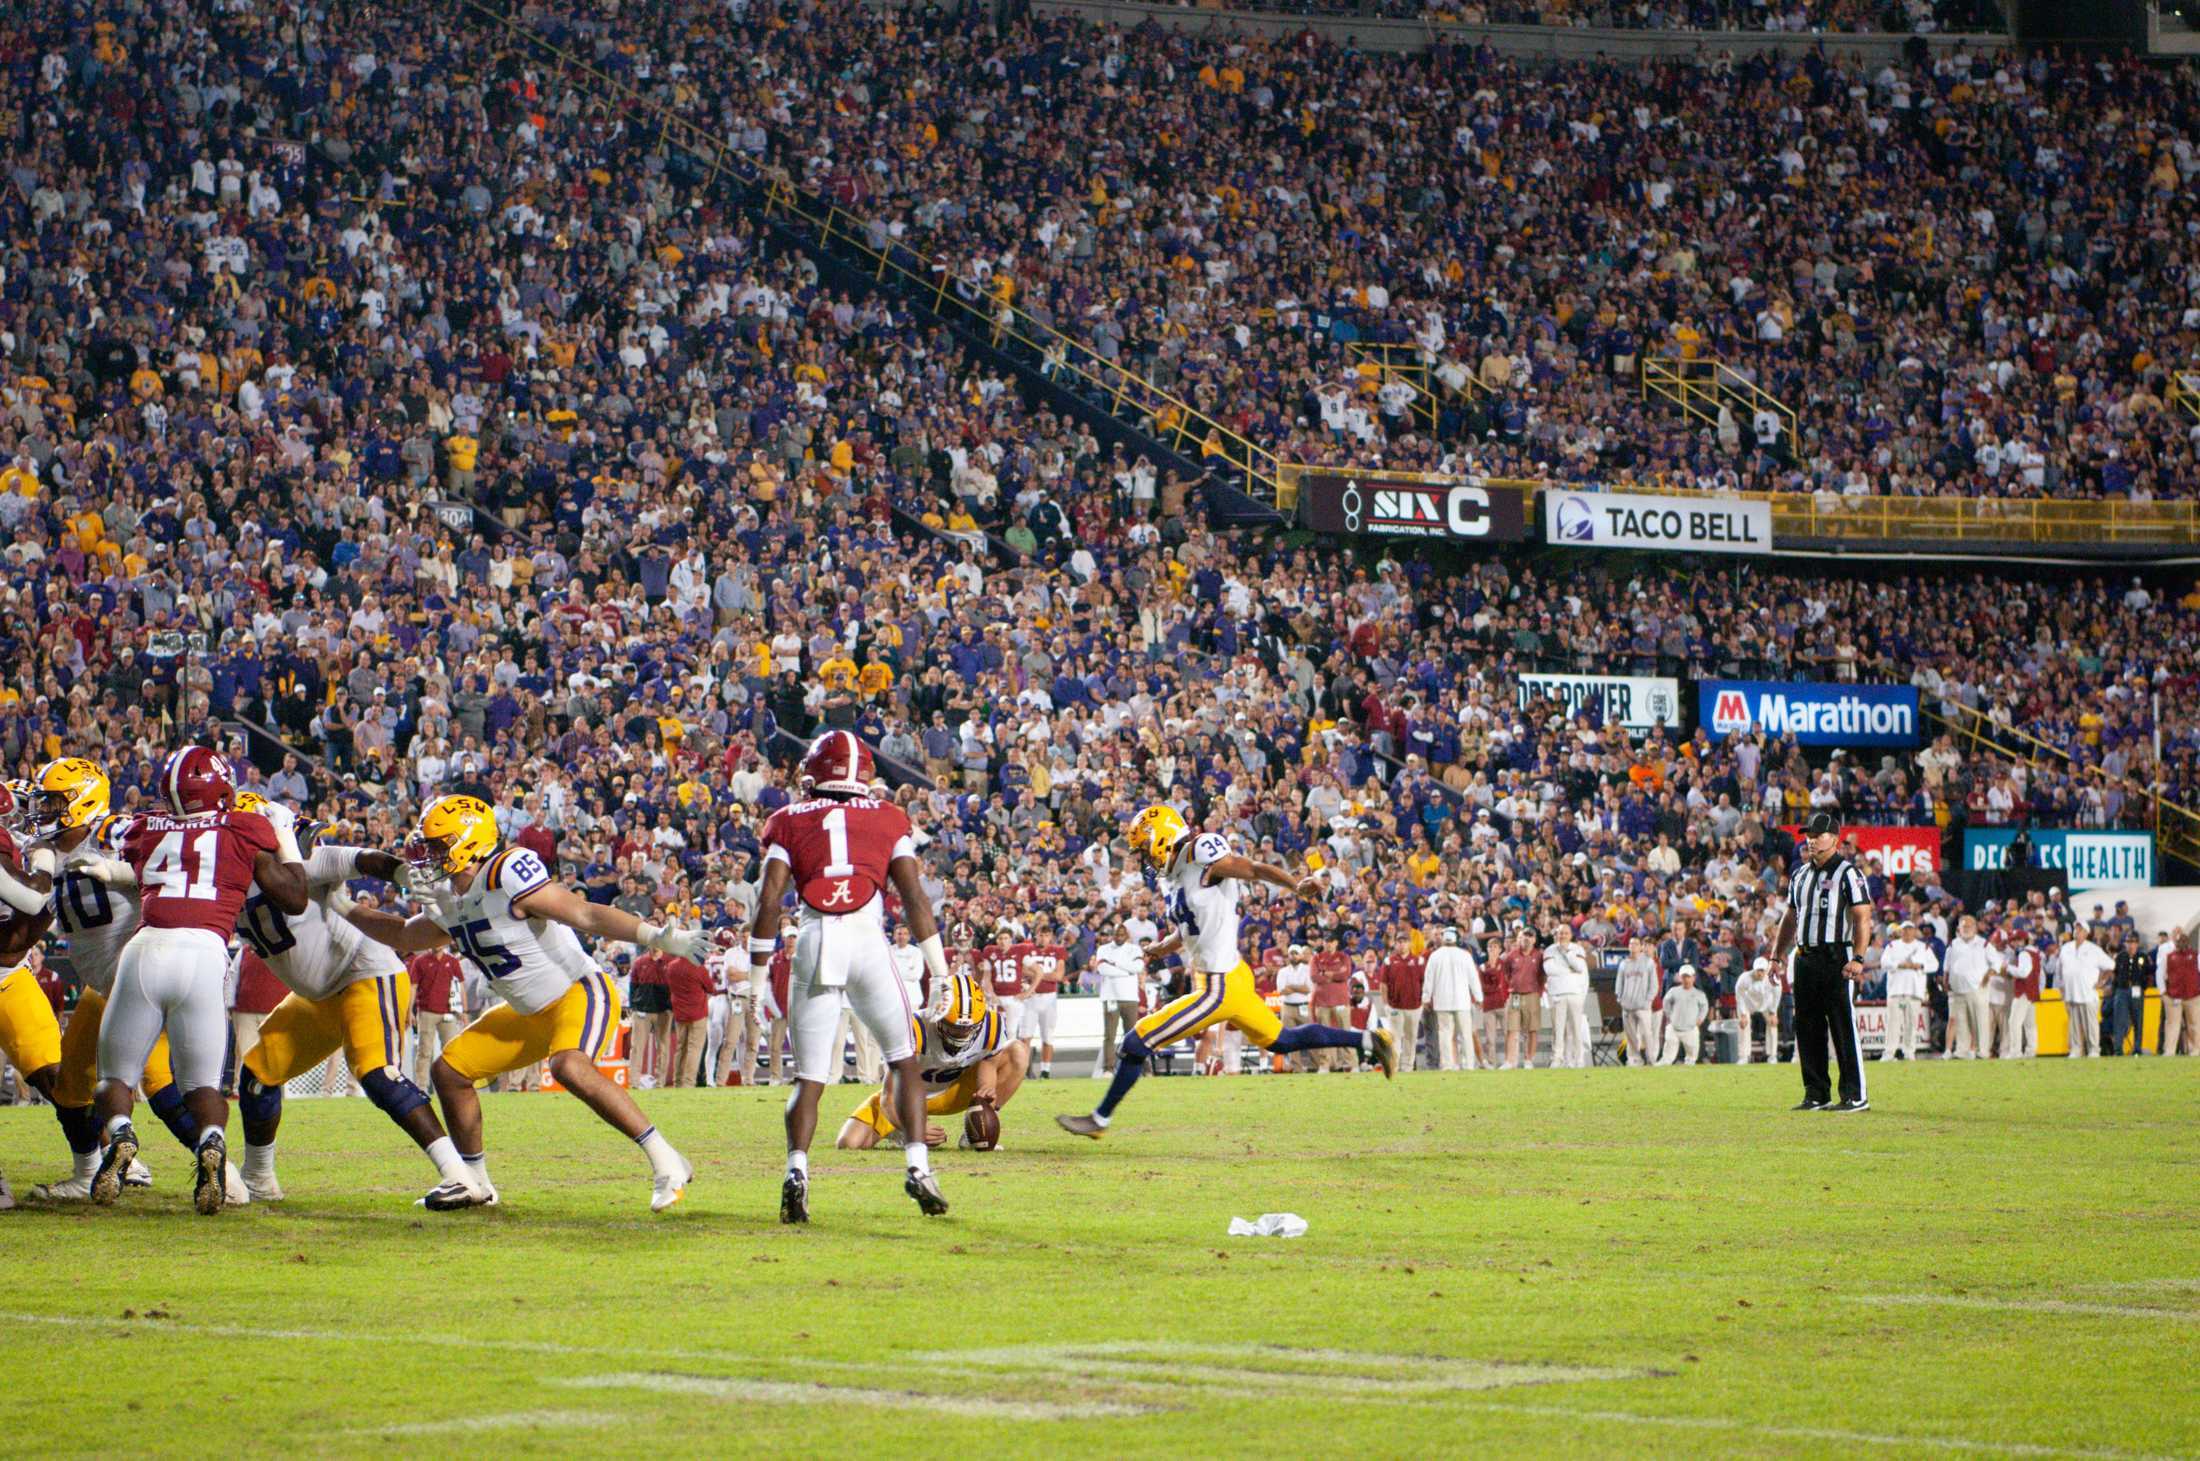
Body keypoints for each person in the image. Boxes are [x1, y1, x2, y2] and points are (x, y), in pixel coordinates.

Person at [338, 793, 705, 1212]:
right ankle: (475, 1182)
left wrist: (654, 936)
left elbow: (583, 914)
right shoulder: (450, 898)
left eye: (439, 845)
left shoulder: (506, 871)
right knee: (450, 1071)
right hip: (529, 1012)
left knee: (568, 1065)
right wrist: (341, 906)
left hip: (578, 992)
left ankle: (666, 1159)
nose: (429, 855)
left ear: (468, 842)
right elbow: (404, 934)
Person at [1057, 804, 1393, 1141]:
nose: (1144, 857)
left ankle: (1099, 1120)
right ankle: (1371, 1040)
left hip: (1218, 986)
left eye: (1145, 847)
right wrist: (1164, 947)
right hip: (1227, 977)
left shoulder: (1201, 852)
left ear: (1161, 838)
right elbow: (1191, 930)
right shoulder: (1174, 877)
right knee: (1282, 1041)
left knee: (1135, 1041)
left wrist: (1294, 886)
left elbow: (1252, 868)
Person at [226, 792, 478, 1204]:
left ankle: (459, 1175)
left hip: (365, 971)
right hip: (318, 995)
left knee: (378, 1075)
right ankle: (258, 1177)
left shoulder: (302, 861)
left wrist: (402, 876)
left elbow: (365, 860)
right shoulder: (225, 880)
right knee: (257, 1075)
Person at [743, 732, 954, 1222]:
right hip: (867, 943)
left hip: (816, 943)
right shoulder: (888, 817)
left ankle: (797, 1171)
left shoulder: (787, 819)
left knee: (810, 1077)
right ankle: (918, 1167)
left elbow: (770, 903)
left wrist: (755, 983)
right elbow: (915, 900)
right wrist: (939, 973)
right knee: (903, 1060)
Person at [90, 746, 310, 1212]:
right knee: (203, 1088)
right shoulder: (243, 826)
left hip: (145, 950)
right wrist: (284, 834)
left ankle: (123, 1136)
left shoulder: (145, 826)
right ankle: (210, 1141)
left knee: (114, 1077)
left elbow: (136, 859)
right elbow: (295, 897)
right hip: (205, 954)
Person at [15, 759, 169, 1198]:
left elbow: (163, 861)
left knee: (160, 1081)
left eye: (55, 801)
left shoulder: (114, 833)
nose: (45, 810)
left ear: (82, 802)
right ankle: (92, 1173)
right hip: (101, 985)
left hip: (141, 975)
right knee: (70, 1086)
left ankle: (219, 1168)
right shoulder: (48, 850)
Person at [836, 973, 1028, 1151]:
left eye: (968, 1029)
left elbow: (989, 1067)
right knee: (850, 1143)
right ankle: (899, 1133)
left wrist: (986, 1094)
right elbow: (890, 1097)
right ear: (937, 1015)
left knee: (1017, 1051)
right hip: (909, 1098)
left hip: (957, 1092)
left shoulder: (992, 1025)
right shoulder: (913, 1030)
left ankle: (973, 1132)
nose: (961, 1035)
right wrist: (912, 1129)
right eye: (953, 1028)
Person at [1768, 811, 1872, 1112]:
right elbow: (1790, 916)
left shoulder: (1848, 873)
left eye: (1818, 835)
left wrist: (1859, 957)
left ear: (1835, 839)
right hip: (1804, 956)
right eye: (1808, 835)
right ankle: (1816, 1093)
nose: (1811, 841)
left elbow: (1862, 917)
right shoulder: (1800, 874)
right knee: (1807, 1026)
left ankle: (1855, 1094)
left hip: (1835, 955)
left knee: (1842, 1026)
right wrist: (1777, 955)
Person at [410, 945, 468, 1092]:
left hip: (449, 1012)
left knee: (450, 1051)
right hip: (426, 1011)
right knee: (424, 1051)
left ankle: (451, 1086)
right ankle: (421, 1087)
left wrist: (464, 1011)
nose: (438, 944)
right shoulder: (420, 961)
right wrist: (409, 1012)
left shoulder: (452, 961)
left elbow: (460, 986)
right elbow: (413, 987)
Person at [1878, 919, 1936, 1062]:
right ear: (1900, 931)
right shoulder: (1892, 945)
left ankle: (1909, 1052)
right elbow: (1884, 962)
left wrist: (1920, 966)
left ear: (1914, 931)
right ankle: (1889, 1053)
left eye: (1910, 929)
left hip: (1914, 991)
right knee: (1893, 1023)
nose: (1908, 932)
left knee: (1912, 1023)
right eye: (1905, 929)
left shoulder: (1923, 947)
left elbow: (1934, 964)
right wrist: (1899, 964)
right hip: (1896, 990)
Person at [1941, 915, 1996, 1060]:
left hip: (1977, 987)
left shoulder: (1984, 944)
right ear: (1959, 928)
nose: (1966, 929)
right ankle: (1962, 1051)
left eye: (1969, 926)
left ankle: (1981, 1051)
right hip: (1957, 989)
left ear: (1975, 928)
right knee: (1961, 1021)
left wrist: (1988, 975)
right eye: (1963, 926)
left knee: (1979, 1020)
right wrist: (1946, 980)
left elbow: (1996, 963)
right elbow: (1947, 965)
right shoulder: (1954, 944)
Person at [1423, 928, 1479, 1072]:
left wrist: (1426, 997)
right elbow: (1473, 978)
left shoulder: (1435, 956)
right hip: (1462, 1001)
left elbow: (1428, 979)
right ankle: (1469, 1064)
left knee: (1445, 1034)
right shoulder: (1465, 955)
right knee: (1465, 1034)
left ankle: (1447, 1064)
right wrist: (1479, 997)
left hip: (1442, 1001)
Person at [2056, 924, 2112, 1058]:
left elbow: (2110, 965)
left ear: (2086, 933)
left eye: (2080, 929)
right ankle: (2076, 1050)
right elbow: (2059, 969)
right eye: (2076, 928)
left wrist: (2102, 982)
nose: (2077, 931)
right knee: (2073, 1025)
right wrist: (2061, 987)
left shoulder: (2094, 949)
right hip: (2071, 994)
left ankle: (2093, 1050)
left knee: (2091, 1025)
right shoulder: (2066, 948)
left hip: (2088, 994)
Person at [1542, 923, 1591, 1070]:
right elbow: (1550, 970)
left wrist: (1568, 953)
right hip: (1557, 994)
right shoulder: (1549, 950)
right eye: (1560, 933)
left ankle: (1579, 1059)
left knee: (1576, 1028)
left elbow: (1580, 967)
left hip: (1575, 993)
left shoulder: (1577, 948)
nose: (1562, 935)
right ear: (1555, 935)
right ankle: (1558, 1059)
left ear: (1570, 935)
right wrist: (1569, 970)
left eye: (1565, 933)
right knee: (1558, 1030)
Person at [1379, 929, 1426, 1075]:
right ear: (1395, 943)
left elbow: (1424, 983)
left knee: (1411, 1038)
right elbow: (1383, 984)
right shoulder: (1389, 961)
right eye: (1399, 941)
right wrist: (1386, 1004)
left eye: (1404, 941)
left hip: (1414, 1006)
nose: (1402, 944)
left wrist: (1422, 1002)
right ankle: (1394, 1065)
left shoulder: (1419, 961)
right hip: (1395, 1006)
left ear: (1410, 943)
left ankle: (1408, 1066)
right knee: (1395, 1037)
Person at [1498, 928, 1545, 1070]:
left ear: (1534, 940)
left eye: (1530, 936)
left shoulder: (1539, 956)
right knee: (1511, 1029)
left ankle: (1528, 1060)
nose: (1527, 939)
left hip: (1532, 994)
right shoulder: (1511, 956)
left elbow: (1542, 976)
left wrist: (1539, 992)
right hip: (1515, 995)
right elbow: (1506, 975)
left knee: (1532, 1029)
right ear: (1519, 939)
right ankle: (1510, 1060)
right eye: (1525, 936)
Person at [1614, 936, 1660, 1067]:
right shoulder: (1623, 963)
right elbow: (1619, 984)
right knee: (1631, 1035)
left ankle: (1651, 1059)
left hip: (1643, 1006)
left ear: (1641, 947)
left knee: (1646, 1034)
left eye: (1636, 944)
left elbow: (1654, 985)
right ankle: (1634, 1059)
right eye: (1631, 944)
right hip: (1627, 1006)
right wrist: (1620, 999)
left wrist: (1648, 1001)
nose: (1633, 946)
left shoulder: (1649, 962)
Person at [2108, 931, 2151, 1057]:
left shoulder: (2143, 957)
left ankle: (2137, 1048)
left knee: (2138, 1019)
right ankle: (2118, 1049)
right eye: (2128, 942)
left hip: (2137, 989)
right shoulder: (2120, 956)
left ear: (2137, 943)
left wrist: (2143, 987)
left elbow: (2148, 974)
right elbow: (2114, 973)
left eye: (2133, 942)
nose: (2130, 945)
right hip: (2122, 990)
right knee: (2119, 1020)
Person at [1657, 967, 1709, 1065]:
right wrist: (1669, 1016)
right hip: (1674, 1028)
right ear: (1680, 978)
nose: (1686, 979)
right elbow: (1666, 1003)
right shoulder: (1673, 991)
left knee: (1691, 1057)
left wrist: (1700, 1019)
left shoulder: (1699, 994)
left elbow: (1704, 1007)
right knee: (1667, 1057)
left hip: (1691, 1028)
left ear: (1693, 978)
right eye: (1684, 977)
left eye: (1688, 977)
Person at [2001, 932, 2042, 1059]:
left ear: (2024, 940)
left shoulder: (2024, 954)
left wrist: (2008, 968)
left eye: (2018, 940)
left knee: (2014, 1022)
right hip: (2033, 992)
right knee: (2030, 1024)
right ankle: (2031, 1051)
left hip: (2023, 991)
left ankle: (2015, 1052)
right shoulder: (2036, 953)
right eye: (2014, 940)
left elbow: (2024, 973)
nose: (2015, 943)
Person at [1733, 958, 1781, 1064]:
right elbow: (1739, 996)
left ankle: (1772, 1055)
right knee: (1743, 1025)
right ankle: (1743, 1056)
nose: (1760, 973)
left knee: (1773, 1025)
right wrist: (1743, 1014)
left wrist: (1773, 1012)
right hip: (1748, 1003)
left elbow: (1777, 994)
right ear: (1754, 970)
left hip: (1767, 1004)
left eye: (1762, 971)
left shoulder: (1773, 978)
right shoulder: (1744, 978)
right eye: (1758, 970)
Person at [2161, 930, 2198, 1056]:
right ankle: (2169, 1051)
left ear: (2187, 942)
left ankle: (2195, 1050)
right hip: (2173, 996)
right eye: (2179, 941)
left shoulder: (2195, 955)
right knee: (2172, 1025)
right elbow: (2161, 975)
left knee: (2194, 1024)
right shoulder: (2169, 956)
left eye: (2184, 940)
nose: (2181, 943)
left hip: (2192, 996)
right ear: (2175, 942)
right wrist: (2163, 992)